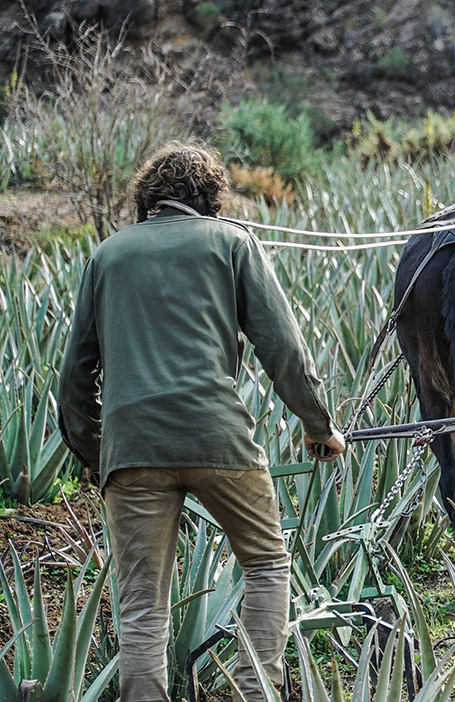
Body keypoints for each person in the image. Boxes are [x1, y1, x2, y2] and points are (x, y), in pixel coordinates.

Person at [57, 141, 346, 702]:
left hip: (132, 449)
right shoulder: (233, 242)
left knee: (141, 604)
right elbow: (283, 349)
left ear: (148, 196)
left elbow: (74, 378)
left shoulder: (108, 256)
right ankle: (251, 693)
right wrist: (318, 426)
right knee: (265, 566)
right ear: (212, 194)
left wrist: (99, 457)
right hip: (219, 440)